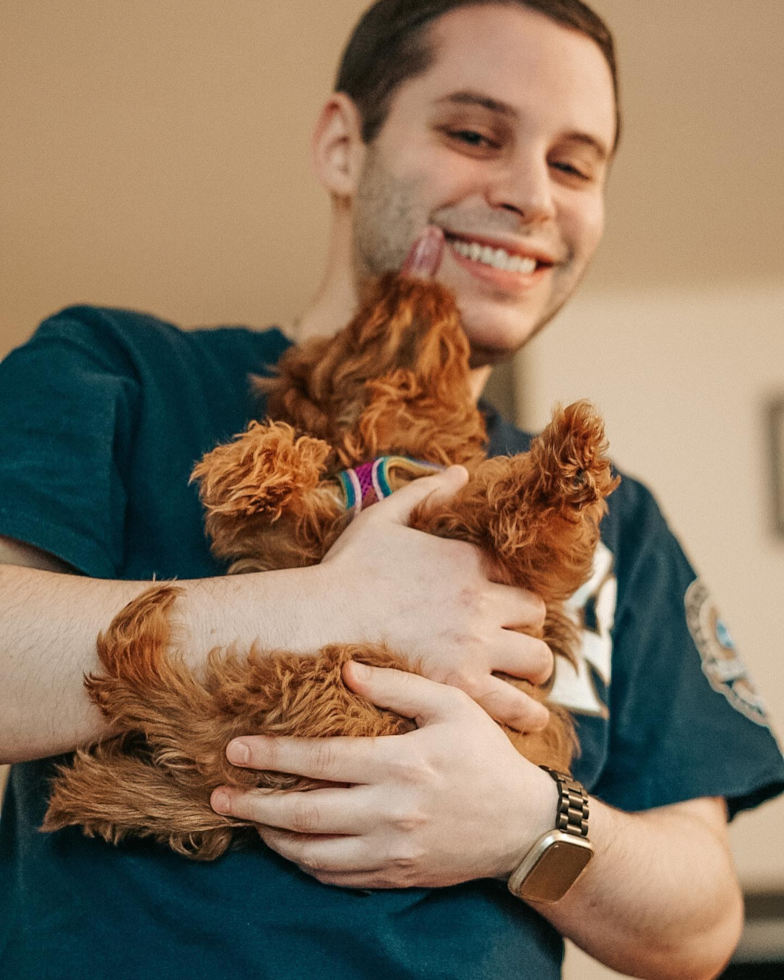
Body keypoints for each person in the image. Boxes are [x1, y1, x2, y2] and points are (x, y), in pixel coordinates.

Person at [1, 1, 782, 978]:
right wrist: (320, 606)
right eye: (472, 134)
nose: (532, 195)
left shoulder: (609, 514)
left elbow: (700, 920)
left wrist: (531, 823)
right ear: (342, 144)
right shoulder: (117, 372)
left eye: (574, 163)